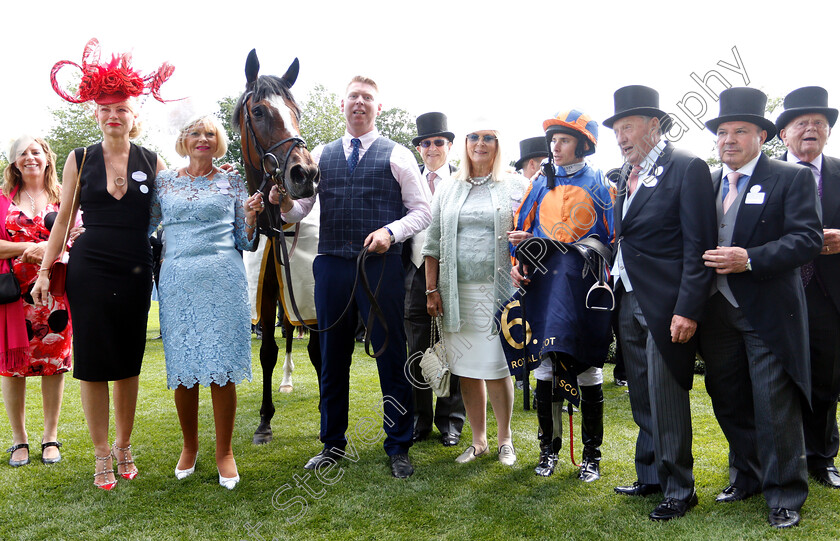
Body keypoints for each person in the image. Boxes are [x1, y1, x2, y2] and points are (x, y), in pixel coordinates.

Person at [32, 39, 174, 490]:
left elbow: (179, 212)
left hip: (136, 263)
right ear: (96, 113)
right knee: (92, 360)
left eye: (122, 109)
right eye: (106, 109)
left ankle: (125, 445)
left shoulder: (154, 160)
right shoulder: (80, 157)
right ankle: (100, 455)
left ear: (135, 116)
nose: (114, 116)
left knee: (129, 359)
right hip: (89, 267)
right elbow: (63, 222)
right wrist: (43, 269)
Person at [275, 76, 430, 478]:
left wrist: (390, 232)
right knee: (331, 357)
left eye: (367, 98)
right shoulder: (321, 154)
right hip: (330, 265)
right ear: (342, 105)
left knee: (389, 353)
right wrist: (283, 201)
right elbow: (300, 211)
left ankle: (398, 444)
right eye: (353, 97)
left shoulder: (397, 155)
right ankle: (332, 444)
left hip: (380, 267)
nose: (359, 103)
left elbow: (423, 211)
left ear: (378, 108)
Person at [699, 87, 823, 529]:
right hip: (715, 310)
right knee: (727, 398)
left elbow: (808, 239)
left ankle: (785, 493)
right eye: (722, 132)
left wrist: (749, 258)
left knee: (774, 404)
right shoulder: (708, 181)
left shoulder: (791, 179)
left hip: (767, 310)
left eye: (740, 131)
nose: (728, 139)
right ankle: (746, 475)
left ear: (762, 136)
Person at [605, 85, 717, 521]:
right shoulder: (622, 176)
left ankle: (679, 489)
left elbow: (698, 246)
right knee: (641, 395)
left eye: (627, 127)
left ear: (654, 125)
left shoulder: (686, 168)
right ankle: (650, 474)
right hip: (627, 297)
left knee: (667, 393)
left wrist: (688, 308)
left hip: (668, 303)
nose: (621, 137)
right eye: (617, 130)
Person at [150, 115, 264, 489]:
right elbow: (144, 227)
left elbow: (246, 243)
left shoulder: (231, 180)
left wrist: (250, 216)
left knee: (221, 367)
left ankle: (224, 451)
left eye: (210, 134)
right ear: (183, 140)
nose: (202, 139)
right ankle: (189, 446)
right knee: (183, 366)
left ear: (218, 142)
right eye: (195, 133)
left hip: (223, 279)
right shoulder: (163, 181)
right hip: (178, 281)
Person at [508, 109, 613, 482]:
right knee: (546, 364)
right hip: (543, 285)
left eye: (564, 139)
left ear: (583, 144)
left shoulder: (601, 183)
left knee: (587, 366)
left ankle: (591, 456)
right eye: (552, 140)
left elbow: (613, 238)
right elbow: (520, 229)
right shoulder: (539, 182)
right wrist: (515, 261)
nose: (555, 146)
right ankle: (548, 451)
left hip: (584, 286)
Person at [423, 123, 527, 466]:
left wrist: (525, 240)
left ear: (499, 144)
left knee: (497, 367)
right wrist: (431, 289)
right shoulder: (449, 188)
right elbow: (432, 241)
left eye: (488, 138)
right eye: (474, 137)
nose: (480, 144)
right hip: (457, 293)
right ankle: (479, 441)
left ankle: (505, 440)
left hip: (498, 292)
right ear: (464, 143)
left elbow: (533, 228)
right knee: (467, 369)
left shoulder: (515, 184)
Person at [0, 136, 79, 467]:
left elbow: (77, 239)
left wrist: (48, 250)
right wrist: (27, 249)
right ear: (15, 163)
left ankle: (50, 437)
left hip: (55, 296)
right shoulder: (3, 200)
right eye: (23, 154)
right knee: (12, 368)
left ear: (48, 158)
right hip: (13, 297)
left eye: (36, 152)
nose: (30, 158)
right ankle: (19, 440)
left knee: (53, 364)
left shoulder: (66, 198)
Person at [776, 86, 840, 490]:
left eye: (820, 123)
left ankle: (821, 458)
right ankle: (767, 458)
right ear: (783, 133)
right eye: (802, 123)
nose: (811, 129)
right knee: (770, 378)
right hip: (775, 291)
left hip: (826, 293)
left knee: (826, 378)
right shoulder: (761, 173)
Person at [405, 112, 465, 447]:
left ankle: (451, 421)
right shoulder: (407, 178)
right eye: (425, 143)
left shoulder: (463, 181)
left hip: (454, 274)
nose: (431, 148)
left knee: (453, 345)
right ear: (418, 149)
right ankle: (419, 419)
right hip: (413, 272)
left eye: (438, 142)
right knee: (416, 349)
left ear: (450, 146)